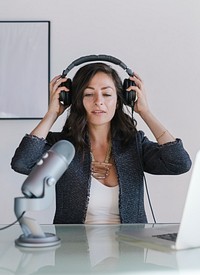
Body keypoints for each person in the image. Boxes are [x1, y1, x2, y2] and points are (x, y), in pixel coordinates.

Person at [11, 62, 192, 224]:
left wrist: (145, 112)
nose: (99, 102)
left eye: (106, 94)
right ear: (76, 101)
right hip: (73, 255)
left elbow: (179, 163)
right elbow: (23, 163)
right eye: (89, 94)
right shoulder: (62, 146)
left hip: (130, 255)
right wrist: (52, 114)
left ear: (120, 100)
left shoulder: (134, 144)